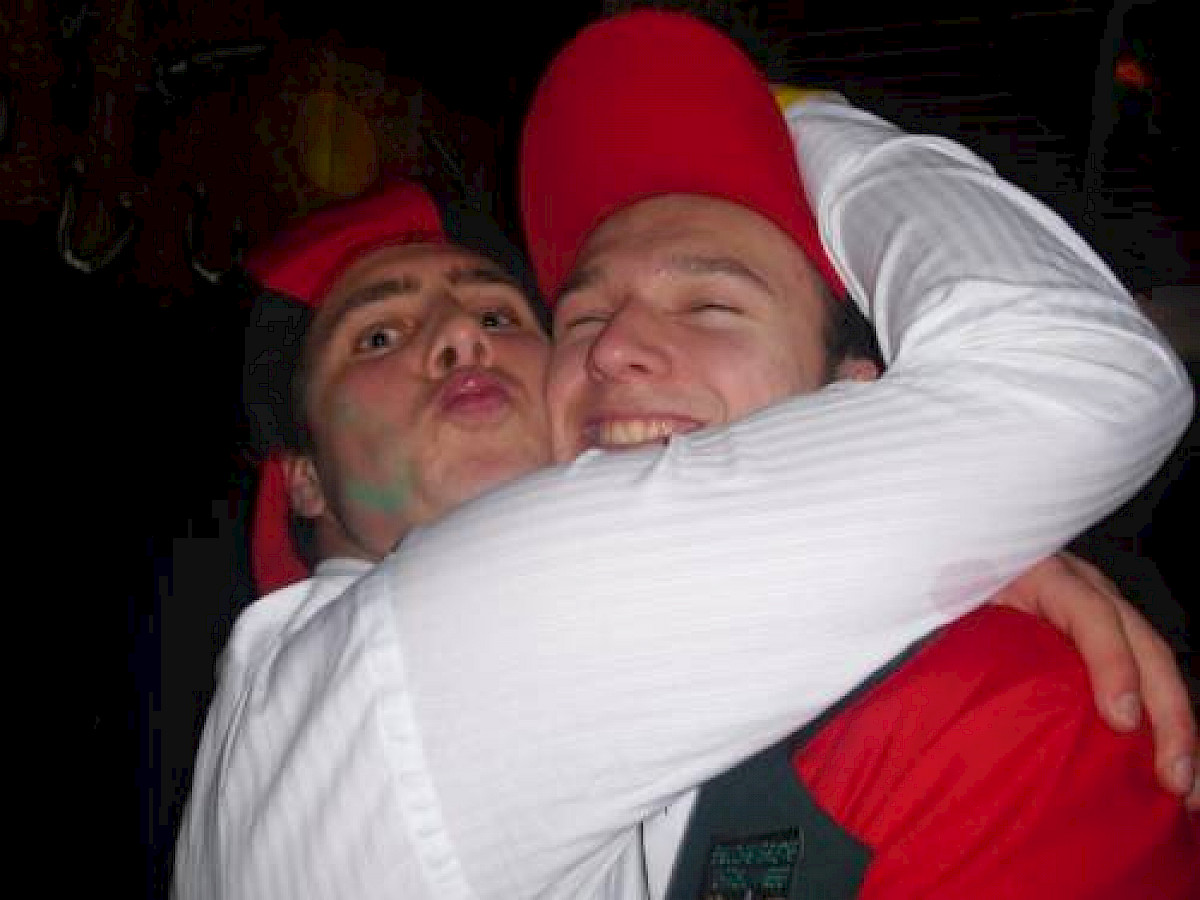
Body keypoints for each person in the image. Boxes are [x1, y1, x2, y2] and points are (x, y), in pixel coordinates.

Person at [172, 15, 1195, 899]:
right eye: (378, 337)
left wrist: (934, 541)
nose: (463, 340)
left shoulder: (955, 721)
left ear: (857, 406)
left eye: (506, 315)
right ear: (303, 479)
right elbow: (1072, 369)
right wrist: (794, 119)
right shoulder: (401, 659)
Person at [516, 10, 1198, 897]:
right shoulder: (488, 659)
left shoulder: (991, 711)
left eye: (710, 308)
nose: (612, 351)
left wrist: (789, 114)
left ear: (854, 400)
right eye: (582, 318)